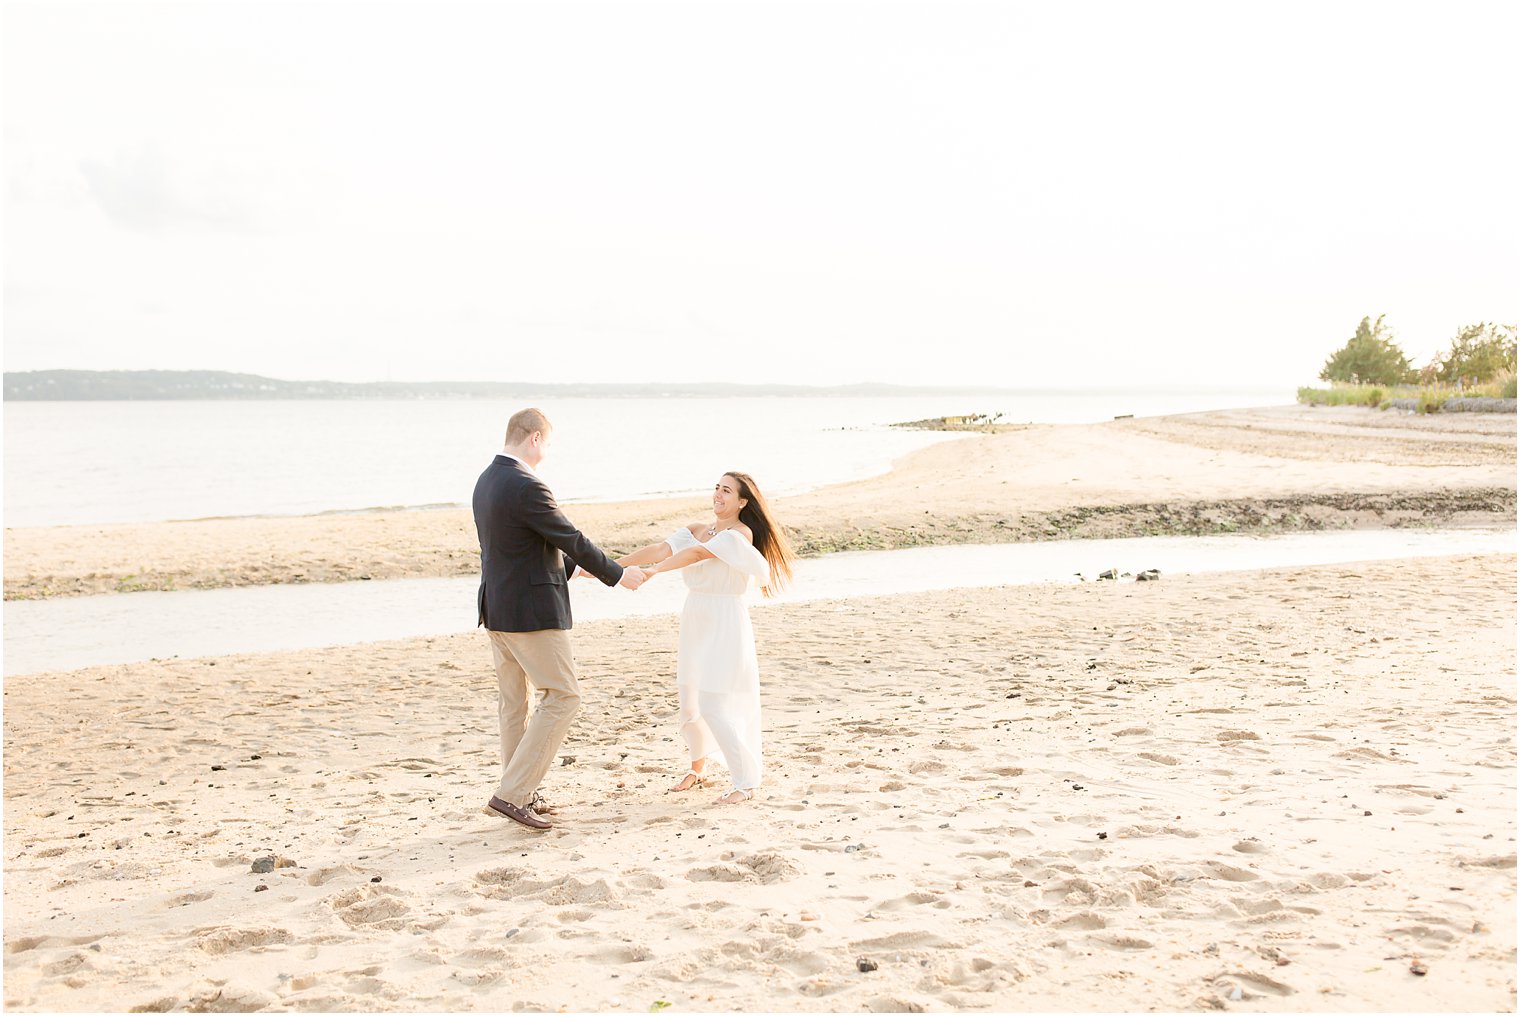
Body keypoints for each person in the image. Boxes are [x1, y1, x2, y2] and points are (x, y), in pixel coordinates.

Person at [472, 408, 647, 831]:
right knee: (564, 697)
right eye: (547, 444)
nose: (546, 453)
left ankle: (522, 791)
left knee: (516, 705)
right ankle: (512, 794)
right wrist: (619, 574)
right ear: (534, 438)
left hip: (497, 607)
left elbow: (520, 546)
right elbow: (570, 537)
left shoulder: (487, 480)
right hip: (530, 614)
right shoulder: (526, 484)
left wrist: (571, 568)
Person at [603, 472, 795, 804]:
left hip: (725, 620)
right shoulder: (697, 529)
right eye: (717, 488)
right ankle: (698, 767)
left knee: (713, 703)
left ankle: (746, 783)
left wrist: (652, 572)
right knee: (690, 699)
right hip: (696, 615)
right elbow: (660, 548)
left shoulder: (739, 534)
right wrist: (608, 566)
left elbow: (697, 555)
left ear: (742, 502)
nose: (718, 495)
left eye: (727, 491)